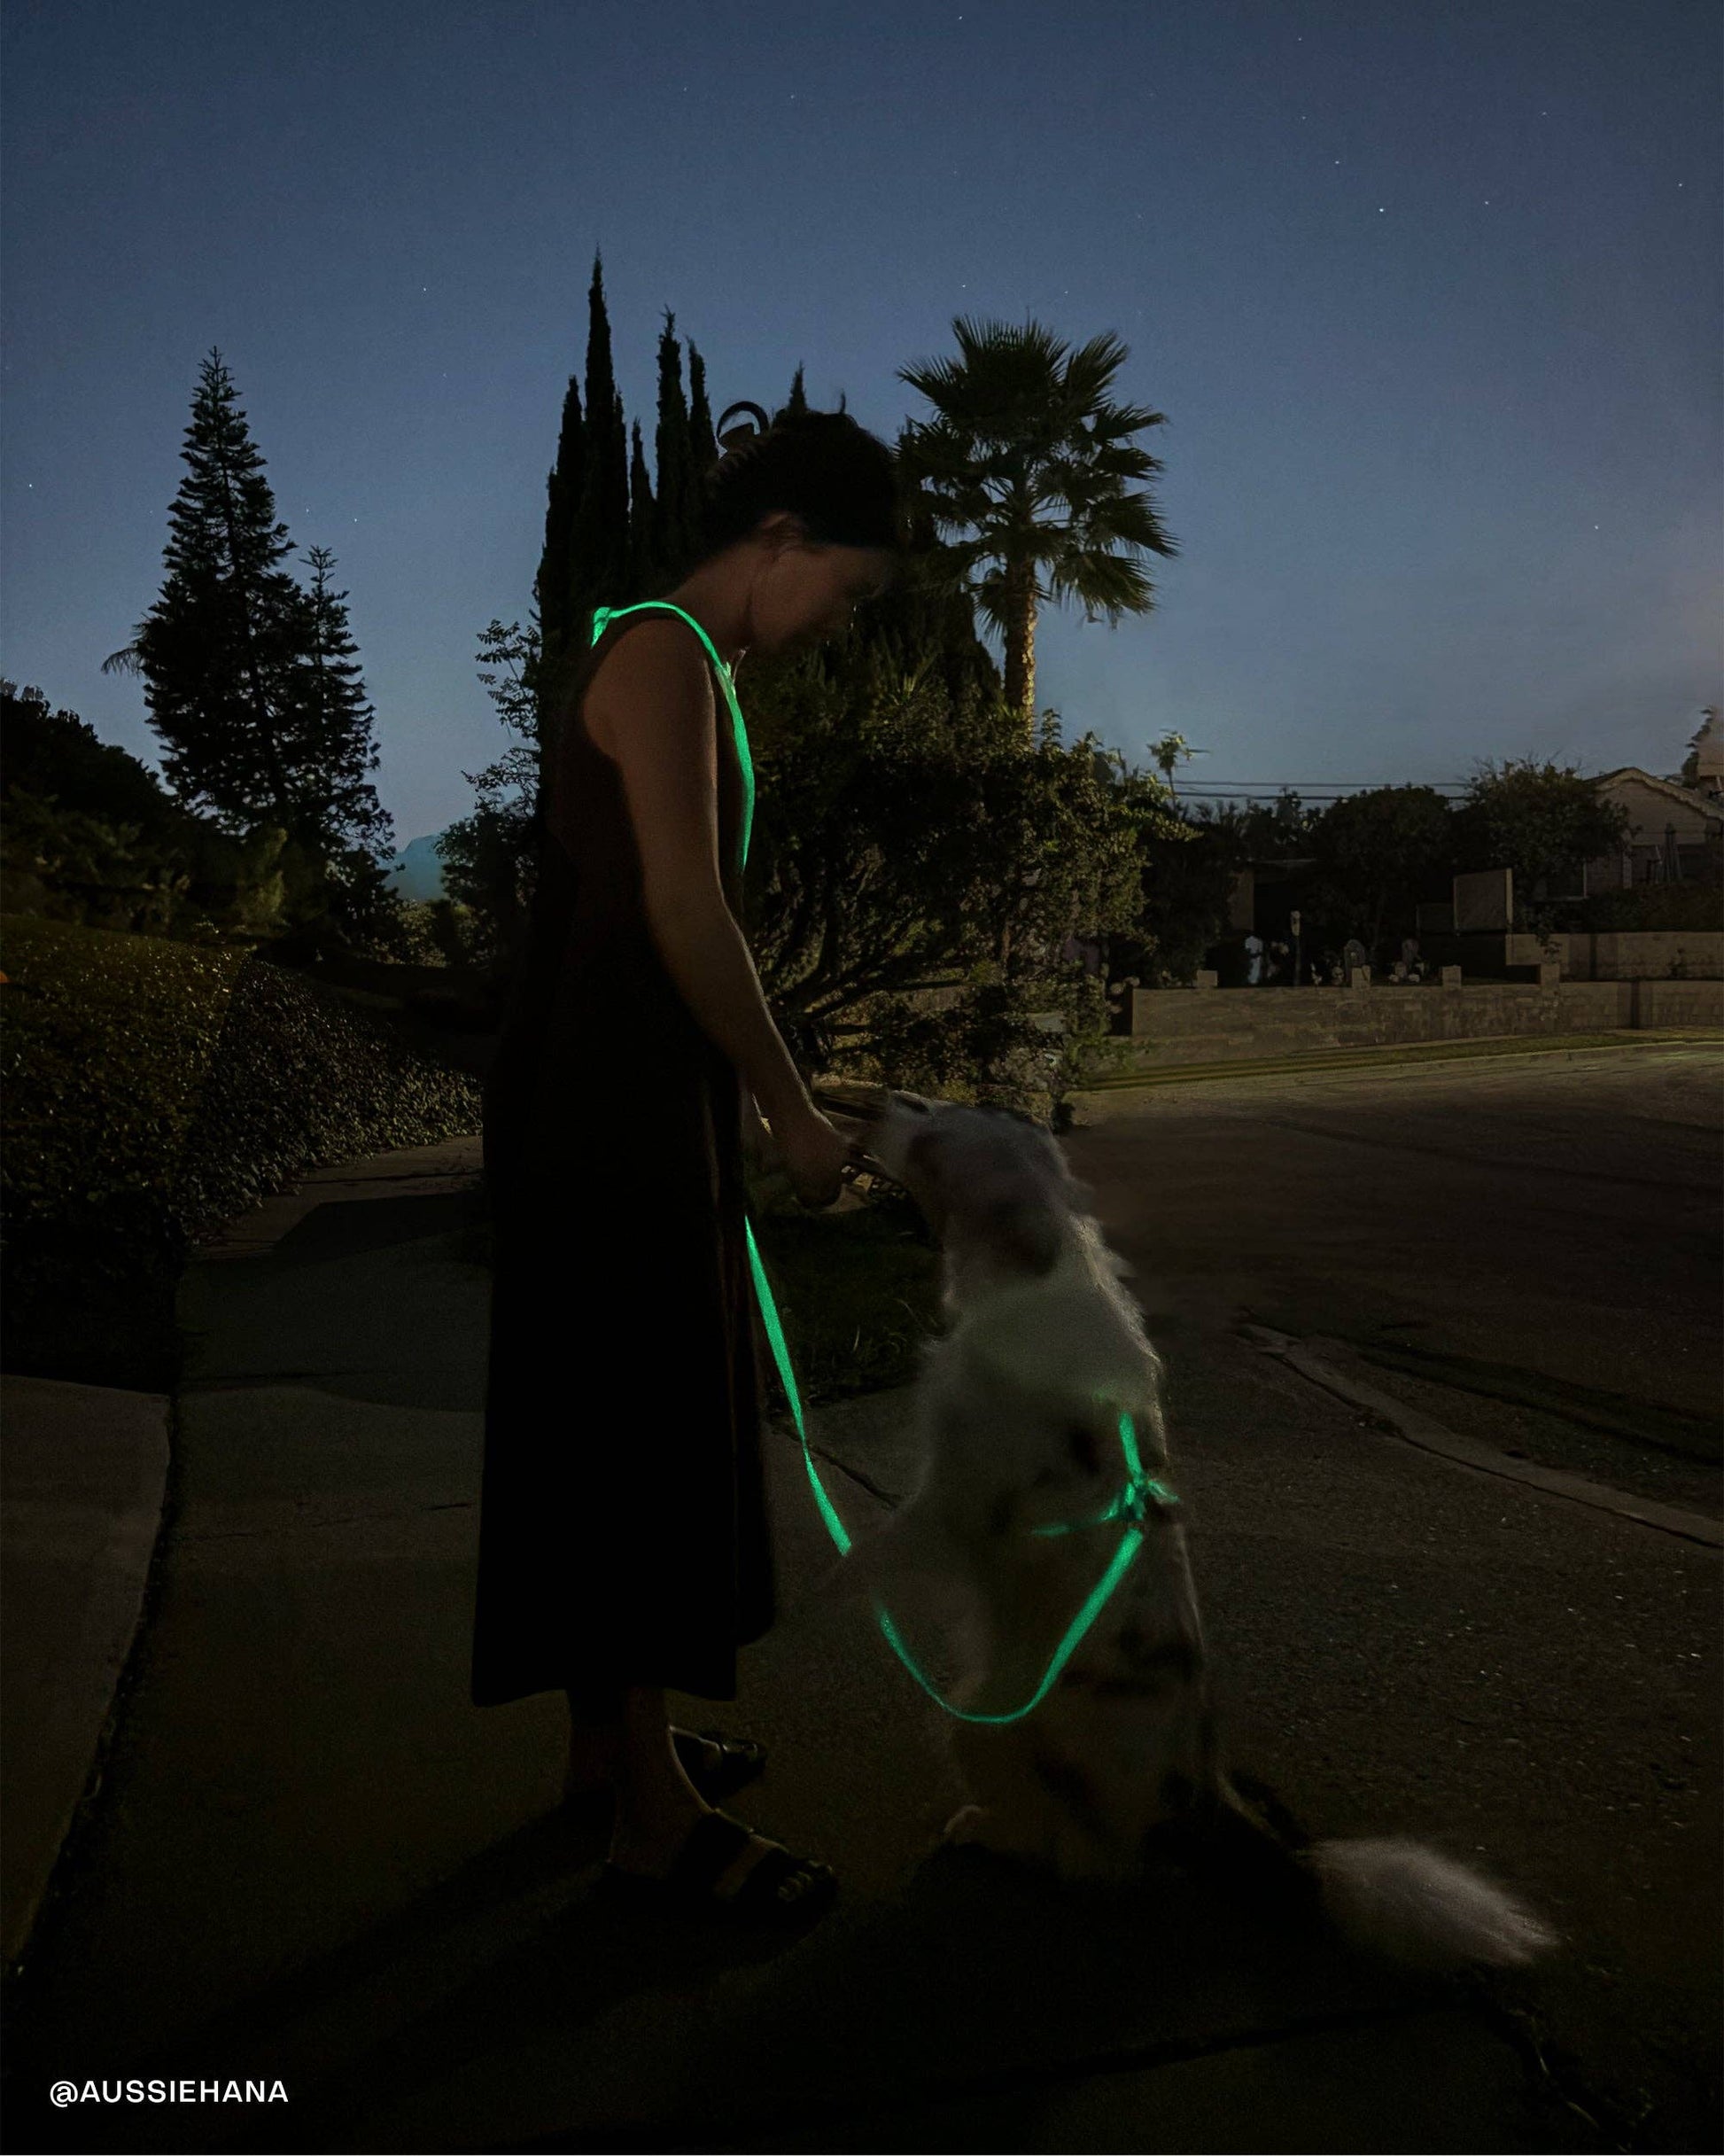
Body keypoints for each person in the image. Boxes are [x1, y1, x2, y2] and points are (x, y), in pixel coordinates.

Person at [471, 400, 903, 1922]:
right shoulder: (660, 651)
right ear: (778, 540)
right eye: (844, 588)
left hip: (614, 1095)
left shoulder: (670, 654)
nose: (839, 622)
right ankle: (654, 1821)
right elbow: (683, 907)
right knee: (638, 1431)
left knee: (610, 1419)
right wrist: (789, 1109)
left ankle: (608, 1755)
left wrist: (760, 1090)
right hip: (609, 1109)